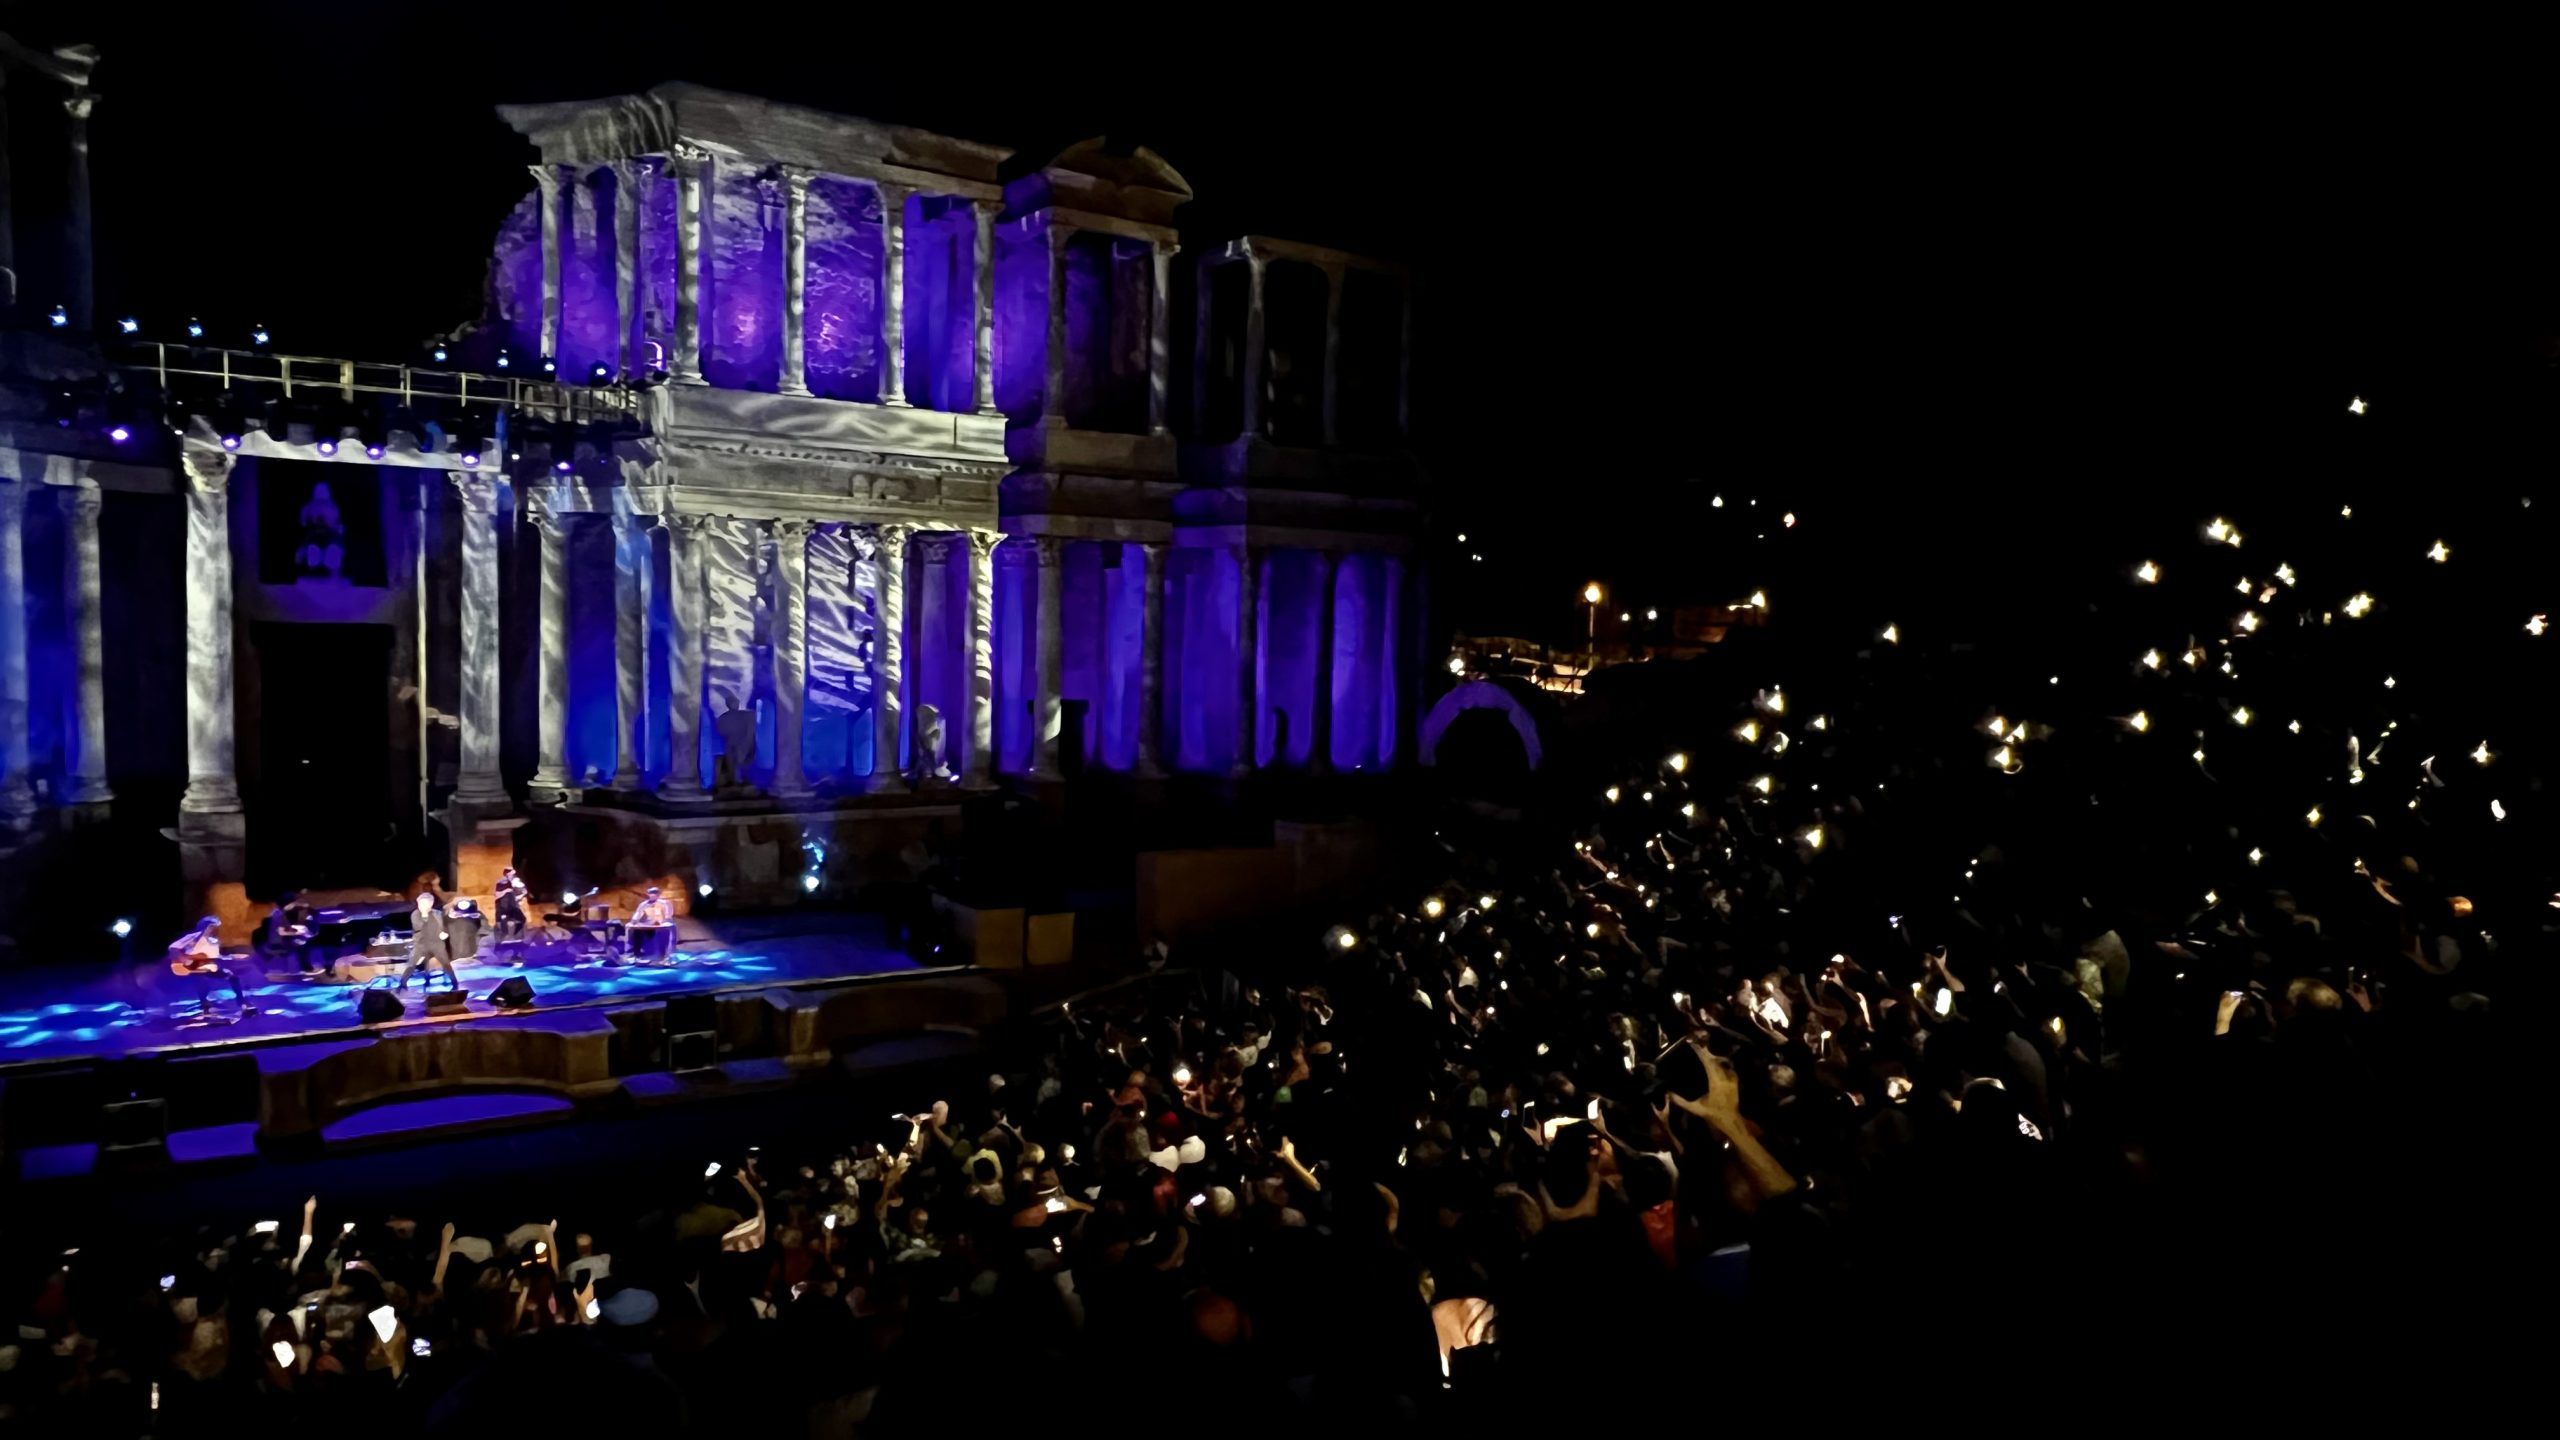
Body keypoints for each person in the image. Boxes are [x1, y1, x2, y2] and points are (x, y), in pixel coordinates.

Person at [168, 915, 256, 1016]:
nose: (214, 929)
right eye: (212, 926)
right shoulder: (193, 937)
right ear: (205, 926)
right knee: (200, 980)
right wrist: (186, 961)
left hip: (205, 966)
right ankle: (205, 1007)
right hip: (192, 967)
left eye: (215, 927)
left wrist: (230, 957)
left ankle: (242, 1002)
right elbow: (173, 948)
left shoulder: (212, 941)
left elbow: (213, 957)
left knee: (231, 976)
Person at [398, 890, 455, 992]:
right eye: (420, 904)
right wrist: (424, 915)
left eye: (425, 904)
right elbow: (418, 927)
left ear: (431, 904)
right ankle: (402, 984)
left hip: (436, 943)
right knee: (412, 964)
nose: (422, 906)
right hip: (421, 944)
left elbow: (443, 925)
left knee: (446, 963)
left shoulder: (437, 913)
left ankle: (454, 982)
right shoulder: (415, 914)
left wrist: (443, 933)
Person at [627, 885, 676, 964]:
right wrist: (633, 922)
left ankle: (664, 956)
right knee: (635, 931)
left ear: (658, 894)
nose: (653, 894)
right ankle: (636, 955)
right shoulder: (643, 904)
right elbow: (637, 915)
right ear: (648, 894)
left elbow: (668, 916)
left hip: (662, 925)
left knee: (666, 930)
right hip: (648, 926)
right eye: (651, 893)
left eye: (655, 893)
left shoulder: (665, 903)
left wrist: (663, 922)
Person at [493, 866, 530, 955]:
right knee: (503, 923)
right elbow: (497, 895)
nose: (513, 875)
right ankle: (500, 943)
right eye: (511, 874)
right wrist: (507, 891)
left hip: (513, 907)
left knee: (522, 919)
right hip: (503, 907)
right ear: (507, 874)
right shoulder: (502, 882)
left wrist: (521, 894)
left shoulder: (515, 883)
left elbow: (518, 895)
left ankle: (518, 940)